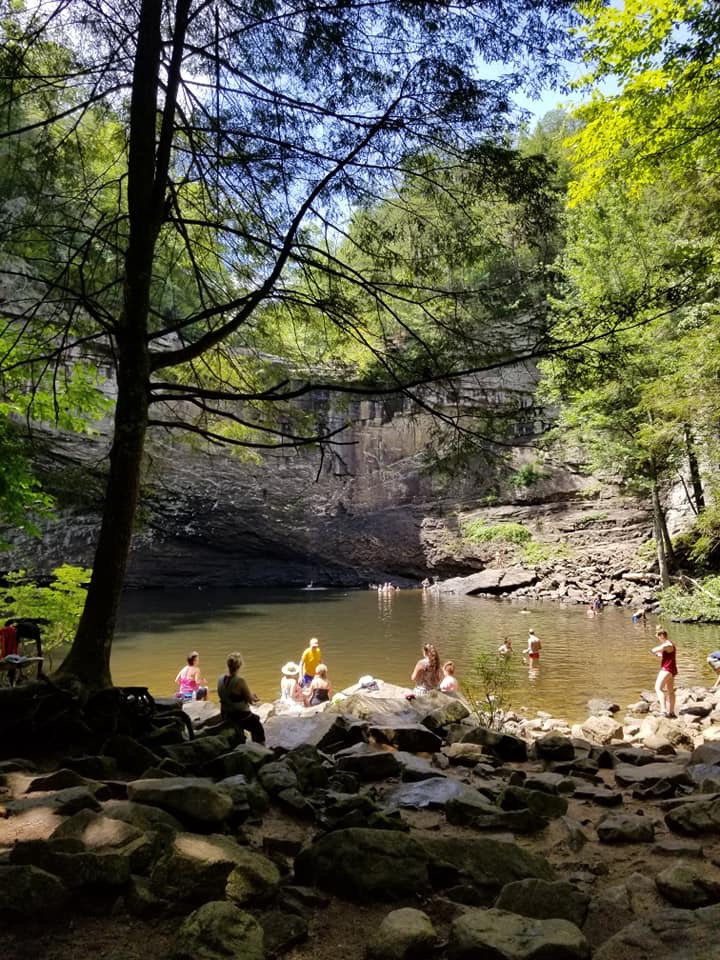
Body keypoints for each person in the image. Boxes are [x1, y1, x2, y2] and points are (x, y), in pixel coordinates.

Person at [217, 651, 265, 743]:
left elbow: (228, 694)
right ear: (240, 665)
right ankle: (260, 747)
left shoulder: (220, 678)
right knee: (257, 727)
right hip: (238, 715)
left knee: (255, 719)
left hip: (225, 713)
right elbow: (250, 701)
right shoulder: (240, 681)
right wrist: (253, 697)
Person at [652, 627, 677, 718]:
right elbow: (668, 654)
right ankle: (672, 712)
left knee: (658, 688)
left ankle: (663, 710)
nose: (658, 639)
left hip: (666, 669)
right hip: (671, 669)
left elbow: (654, 650)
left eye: (658, 637)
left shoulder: (667, 644)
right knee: (670, 691)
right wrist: (661, 654)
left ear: (662, 636)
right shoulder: (670, 644)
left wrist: (658, 650)